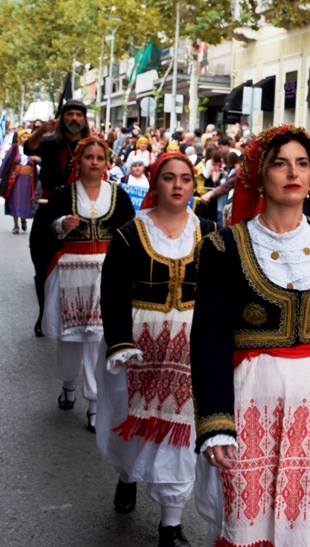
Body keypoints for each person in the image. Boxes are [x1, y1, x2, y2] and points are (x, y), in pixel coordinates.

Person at [189, 125, 310, 547]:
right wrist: (216, 423)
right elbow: (210, 339)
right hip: (249, 397)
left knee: (308, 524)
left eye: (302, 163)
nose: (292, 173)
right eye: (279, 163)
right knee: (245, 520)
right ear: (260, 175)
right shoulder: (225, 246)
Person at [97, 152, 215, 547]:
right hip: (138, 344)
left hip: (190, 345)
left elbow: (221, 295)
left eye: (185, 178)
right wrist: (119, 343)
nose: (178, 185)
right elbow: (112, 293)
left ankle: (170, 523)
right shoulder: (130, 233)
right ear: (156, 182)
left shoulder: (212, 233)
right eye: (169, 177)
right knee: (129, 420)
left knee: (182, 430)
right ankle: (127, 474)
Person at [41, 138, 136, 432]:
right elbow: (47, 227)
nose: (94, 162)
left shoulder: (118, 195)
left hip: (106, 272)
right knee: (70, 340)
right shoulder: (63, 193)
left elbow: (131, 230)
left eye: (99, 157)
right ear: (78, 162)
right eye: (88, 157)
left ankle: (94, 403)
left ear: (107, 162)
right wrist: (61, 225)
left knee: (98, 339)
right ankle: (68, 384)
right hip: (70, 271)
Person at [26, 100, 93, 337]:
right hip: (48, 210)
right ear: (63, 118)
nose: (74, 118)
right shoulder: (48, 142)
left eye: (79, 114)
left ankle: (77, 315)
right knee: (42, 264)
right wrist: (42, 129)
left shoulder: (91, 147)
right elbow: (29, 148)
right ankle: (44, 313)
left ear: (84, 120)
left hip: (82, 213)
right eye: (70, 114)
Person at [0, 128, 39, 233]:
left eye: (28, 137)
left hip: (28, 180)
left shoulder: (35, 150)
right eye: (24, 137)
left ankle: (23, 219)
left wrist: (37, 159)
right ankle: (16, 225)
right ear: (19, 139)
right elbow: (5, 162)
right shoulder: (14, 149)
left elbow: (43, 162)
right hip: (15, 179)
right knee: (14, 200)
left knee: (26, 200)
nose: (26, 139)